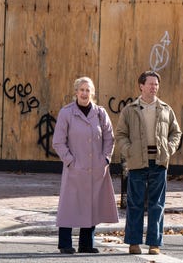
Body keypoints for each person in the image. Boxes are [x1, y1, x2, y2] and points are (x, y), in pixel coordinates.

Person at [115, 70, 182, 255]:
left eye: (156, 84)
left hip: (159, 162)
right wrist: (129, 151)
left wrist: (169, 149)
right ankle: (133, 243)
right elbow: (120, 134)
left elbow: (176, 133)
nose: (154, 87)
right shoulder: (130, 109)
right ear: (141, 86)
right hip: (137, 163)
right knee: (135, 204)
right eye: (150, 84)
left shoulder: (166, 109)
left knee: (157, 205)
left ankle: (154, 243)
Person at [53, 76, 119, 254]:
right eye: (81, 90)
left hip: (97, 168)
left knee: (92, 204)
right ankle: (65, 244)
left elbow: (109, 138)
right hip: (75, 168)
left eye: (87, 90)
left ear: (93, 93)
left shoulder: (100, 113)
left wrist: (105, 159)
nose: (84, 93)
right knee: (69, 205)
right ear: (76, 92)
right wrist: (70, 161)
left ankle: (86, 244)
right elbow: (58, 142)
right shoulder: (66, 113)